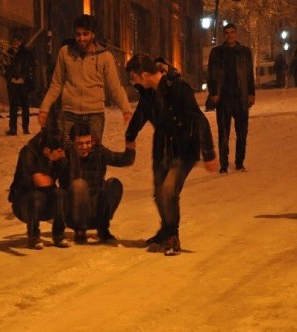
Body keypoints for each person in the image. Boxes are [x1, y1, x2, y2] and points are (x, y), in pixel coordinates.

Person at [125, 52, 218, 256]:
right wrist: (130, 136)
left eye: (133, 77)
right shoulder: (148, 94)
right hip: (162, 148)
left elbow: (198, 119)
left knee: (168, 190)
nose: (132, 82)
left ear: (144, 74)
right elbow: (141, 114)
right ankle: (165, 230)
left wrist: (209, 153)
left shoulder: (177, 88)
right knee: (159, 194)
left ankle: (172, 237)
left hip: (184, 149)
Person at [38, 14, 132, 144]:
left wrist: (126, 109)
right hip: (69, 113)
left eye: (85, 34)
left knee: (93, 154)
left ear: (93, 34)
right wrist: (44, 108)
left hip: (95, 115)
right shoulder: (65, 52)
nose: (81, 38)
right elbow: (56, 84)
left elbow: (114, 86)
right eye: (78, 34)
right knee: (67, 154)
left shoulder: (105, 56)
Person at [59, 123, 135, 244]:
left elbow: (122, 160)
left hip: (95, 209)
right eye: (80, 143)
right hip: (74, 214)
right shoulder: (66, 156)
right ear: (73, 143)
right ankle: (80, 231)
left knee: (114, 184)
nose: (85, 147)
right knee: (79, 185)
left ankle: (103, 228)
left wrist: (130, 149)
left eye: (87, 142)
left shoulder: (98, 152)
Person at [8, 130, 69, 249]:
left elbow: (65, 183)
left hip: (45, 204)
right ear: (47, 151)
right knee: (37, 196)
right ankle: (33, 237)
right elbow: (32, 182)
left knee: (60, 194)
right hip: (24, 205)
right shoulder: (28, 154)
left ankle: (59, 235)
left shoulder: (59, 159)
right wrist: (41, 179)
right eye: (60, 151)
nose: (63, 154)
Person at [207, 23, 255, 173]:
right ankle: (224, 165)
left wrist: (251, 93)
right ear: (224, 35)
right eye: (227, 33)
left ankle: (239, 163)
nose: (230, 35)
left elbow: (249, 75)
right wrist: (214, 92)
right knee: (224, 133)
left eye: (232, 32)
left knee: (242, 132)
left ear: (236, 33)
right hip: (223, 98)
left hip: (240, 97)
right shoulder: (216, 53)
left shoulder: (245, 52)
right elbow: (211, 74)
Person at [5, 33, 36, 136]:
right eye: (14, 41)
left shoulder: (27, 53)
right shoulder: (8, 53)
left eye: (17, 40)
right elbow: (5, 67)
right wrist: (9, 78)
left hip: (23, 83)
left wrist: (25, 79)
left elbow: (32, 67)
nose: (15, 43)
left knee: (25, 106)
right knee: (13, 106)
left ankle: (25, 128)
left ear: (20, 41)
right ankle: (13, 129)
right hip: (13, 83)